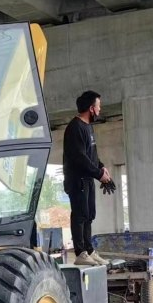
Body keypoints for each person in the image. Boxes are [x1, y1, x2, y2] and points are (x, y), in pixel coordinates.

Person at [63, 90, 112, 266]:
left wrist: (101, 167)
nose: (100, 110)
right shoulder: (75, 128)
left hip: (88, 179)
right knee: (80, 215)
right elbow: (80, 158)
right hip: (77, 181)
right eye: (98, 106)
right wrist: (99, 175)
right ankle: (80, 253)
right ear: (91, 108)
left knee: (90, 214)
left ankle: (89, 250)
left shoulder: (88, 127)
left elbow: (91, 155)